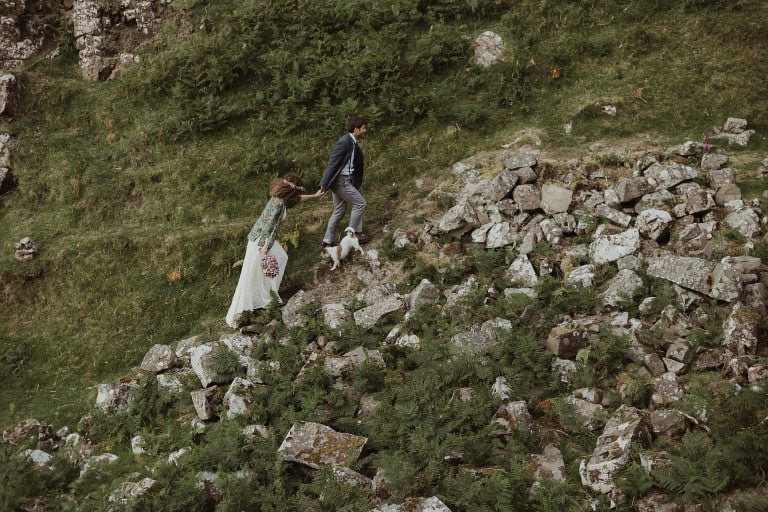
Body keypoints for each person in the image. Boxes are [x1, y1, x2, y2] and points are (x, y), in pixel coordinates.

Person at [226, 174, 323, 328]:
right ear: (292, 191)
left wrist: (315, 196)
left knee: (279, 258)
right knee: (253, 273)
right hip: (260, 240)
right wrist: (264, 248)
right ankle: (264, 300)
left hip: (260, 238)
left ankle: (268, 295)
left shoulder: (282, 200)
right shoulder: (278, 204)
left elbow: (298, 199)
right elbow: (269, 227)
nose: (297, 196)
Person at [319, 116, 369, 248]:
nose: (366, 130)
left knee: (339, 211)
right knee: (360, 203)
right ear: (356, 129)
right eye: (364, 128)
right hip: (341, 181)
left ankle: (327, 242)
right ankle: (352, 237)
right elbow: (333, 162)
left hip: (344, 180)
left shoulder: (352, 143)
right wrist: (324, 183)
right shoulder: (345, 142)